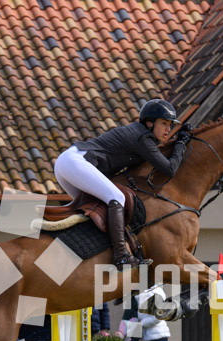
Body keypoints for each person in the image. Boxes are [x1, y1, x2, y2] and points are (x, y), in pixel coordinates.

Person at [53, 98, 189, 269]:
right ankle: (122, 256)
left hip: (68, 163)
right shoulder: (142, 137)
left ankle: (84, 252)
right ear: (149, 123)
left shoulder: (142, 136)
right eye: (164, 123)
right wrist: (181, 143)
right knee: (116, 197)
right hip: (76, 162)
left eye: (170, 124)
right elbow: (169, 168)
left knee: (95, 209)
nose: (168, 129)